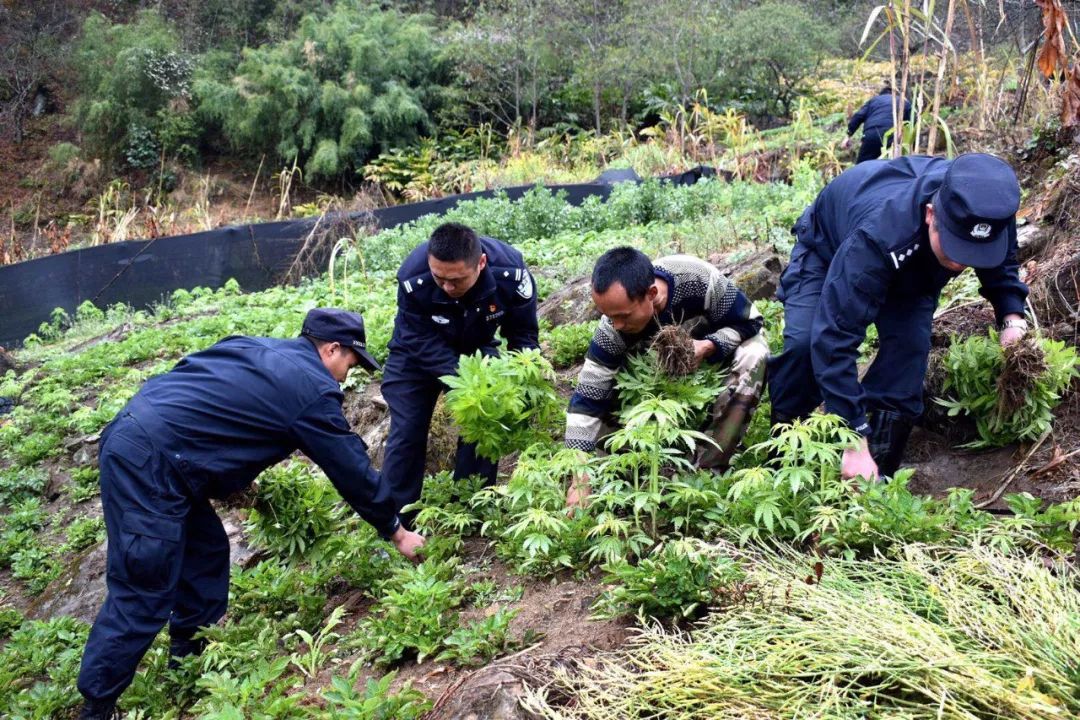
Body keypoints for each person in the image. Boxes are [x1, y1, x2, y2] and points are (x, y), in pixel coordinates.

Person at [77, 308, 424, 720]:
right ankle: (96, 708)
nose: (347, 376)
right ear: (332, 349)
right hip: (151, 463)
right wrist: (395, 530)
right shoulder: (311, 388)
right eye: (350, 363)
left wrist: (224, 469)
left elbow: (199, 385)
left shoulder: (254, 348)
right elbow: (350, 467)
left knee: (204, 555)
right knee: (145, 581)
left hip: (147, 443)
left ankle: (186, 668)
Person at [768, 153, 1029, 482]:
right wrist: (853, 435)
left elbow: (1001, 256)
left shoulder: (986, 203)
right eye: (953, 250)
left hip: (914, 270)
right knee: (804, 346)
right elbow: (835, 336)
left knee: (907, 358)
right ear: (932, 214)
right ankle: (784, 458)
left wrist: (1011, 317)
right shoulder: (876, 238)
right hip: (830, 244)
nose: (961, 264)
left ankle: (876, 480)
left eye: (972, 253)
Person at [564, 248, 769, 506]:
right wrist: (580, 477)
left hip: (708, 364)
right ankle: (628, 469)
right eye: (608, 316)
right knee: (603, 396)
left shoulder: (699, 280)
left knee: (756, 352)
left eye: (623, 316)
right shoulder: (612, 331)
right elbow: (586, 399)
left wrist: (708, 346)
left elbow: (751, 322)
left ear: (651, 294)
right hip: (650, 387)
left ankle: (707, 467)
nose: (616, 325)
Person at [381, 222, 539, 520]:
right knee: (408, 430)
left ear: (481, 263)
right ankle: (395, 521)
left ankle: (471, 507)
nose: (448, 287)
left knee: (484, 417)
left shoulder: (511, 274)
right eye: (439, 278)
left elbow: (524, 336)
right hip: (415, 354)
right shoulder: (414, 276)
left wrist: (522, 380)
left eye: (456, 280)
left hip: (475, 346)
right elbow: (416, 338)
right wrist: (462, 377)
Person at [842, 85, 913, 163]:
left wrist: (848, 135)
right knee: (890, 166)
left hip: (871, 134)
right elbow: (913, 121)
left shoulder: (873, 101)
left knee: (863, 165)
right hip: (893, 136)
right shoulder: (903, 102)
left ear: (881, 94)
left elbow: (858, 116)